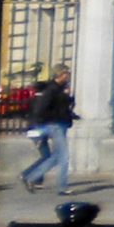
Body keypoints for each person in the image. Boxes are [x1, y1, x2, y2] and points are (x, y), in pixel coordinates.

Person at [19, 63, 76, 194]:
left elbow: (63, 107)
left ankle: (30, 177)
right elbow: (41, 109)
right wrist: (52, 119)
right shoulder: (52, 90)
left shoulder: (60, 89)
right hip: (55, 125)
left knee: (57, 157)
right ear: (60, 74)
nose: (68, 76)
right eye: (66, 73)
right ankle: (61, 187)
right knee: (63, 157)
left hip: (60, 124)